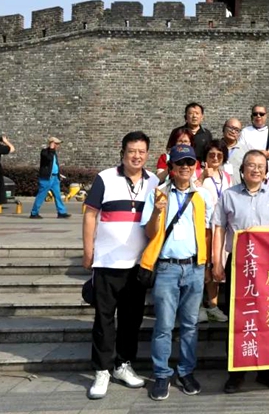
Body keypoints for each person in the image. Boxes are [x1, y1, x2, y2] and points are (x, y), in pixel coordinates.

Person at [82, 131, 158, 400]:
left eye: (141, 152)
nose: (136, 156)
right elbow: (90, 215)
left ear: (147, 154)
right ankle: (102, 370)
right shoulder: (105, 178)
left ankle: (123, 364)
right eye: (132, 151)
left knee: (131, 319)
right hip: (107, 262)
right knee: (104, 318)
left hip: (138, 264)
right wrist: (88, 250)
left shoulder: (154, 182)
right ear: (123, 152)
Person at [212, 150, 269, 394]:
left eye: (260, 166)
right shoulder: (229, 195)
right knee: (238, 318)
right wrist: (216, 262)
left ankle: (267, 372)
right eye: (251, 165)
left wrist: (262, 231)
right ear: (242, 169)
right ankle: (236, 373)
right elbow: (219, 228)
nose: (256, 170)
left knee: (268, 316)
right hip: (239, 264)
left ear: (266, 171)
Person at [142, 144, 214, 400]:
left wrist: (207, 265)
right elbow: (149, 233)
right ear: (171, 166)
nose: (185, 167)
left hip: (194, 267)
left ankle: (186, 371)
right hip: (167, 267)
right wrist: (156, 213)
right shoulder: (158, 194)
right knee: (163, 325)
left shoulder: (202, 195)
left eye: (189, 162)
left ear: (196, 166)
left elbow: (208, 231)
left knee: (190, 325)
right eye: (180, 162)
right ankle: (162, 374)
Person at [197, 139, 232, 324]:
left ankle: (213, 305)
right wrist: (203, 176)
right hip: (202, 226)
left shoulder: (227, 177)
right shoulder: (197, 173)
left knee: (216, 264)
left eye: (219, 155)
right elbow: (190, 191)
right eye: (211, 155)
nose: (215, 158)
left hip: (220, 227)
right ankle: (198, 306)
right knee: (202, 265)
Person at [29, 136, 70, 219]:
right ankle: (34, 212)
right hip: (46, 178)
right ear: (52, 143)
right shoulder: (44, 152)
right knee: (41, 195)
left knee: (58, 195)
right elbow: (48, 159)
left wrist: (58, 174)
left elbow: (54, 165)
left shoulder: (54, 153)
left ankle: (61, 212)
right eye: (56, 144)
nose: (58, 145)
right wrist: (51, 148)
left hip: (55, 177)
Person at [220, 118, 248, 185]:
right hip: (217, 187)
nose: (233, 132)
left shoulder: (244, 151)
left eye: (237, 130)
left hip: (237, 188)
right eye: (231, 128)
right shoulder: (215, 147)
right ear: (224, 128)